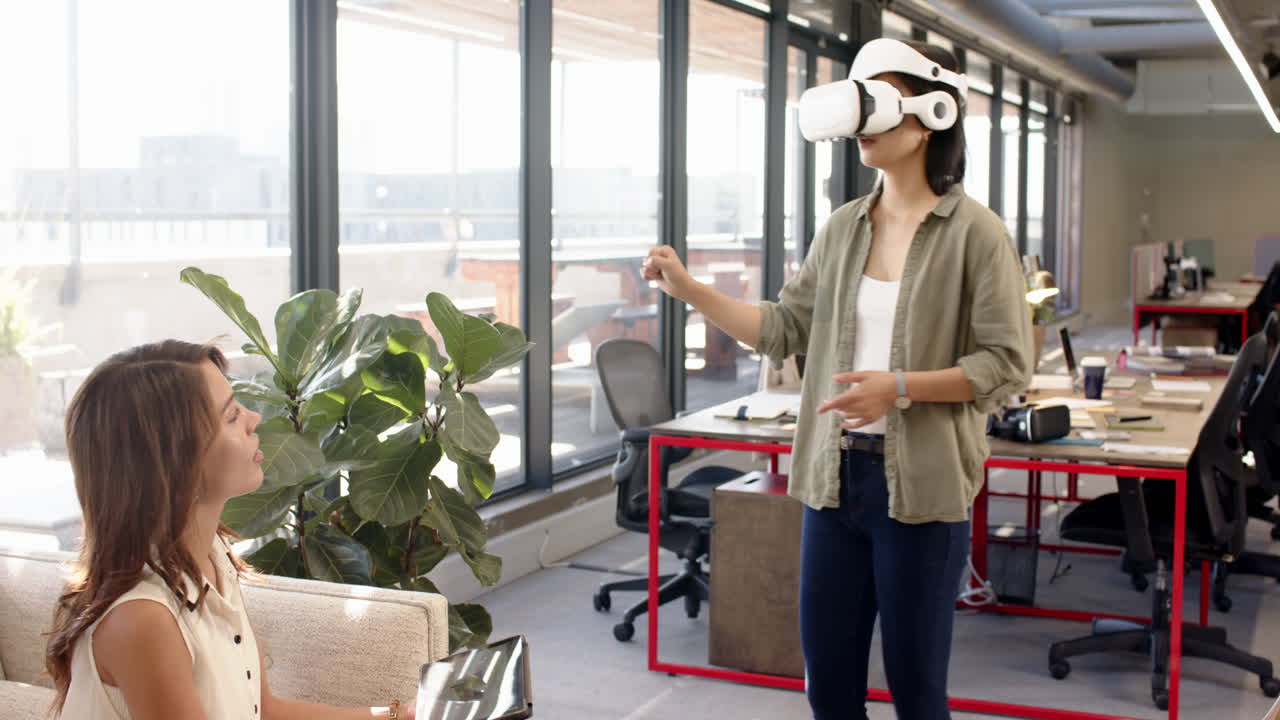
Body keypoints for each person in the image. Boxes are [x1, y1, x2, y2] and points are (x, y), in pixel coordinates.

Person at [642, 40, 1031, 719]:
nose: (861, 124)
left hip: (922, 489)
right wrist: (690, 291)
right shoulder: (843, 228)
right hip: (830, 481)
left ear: (931, 112)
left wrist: (900, 387)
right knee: (829, 687)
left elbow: (1004, 365)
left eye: (875, 101)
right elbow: (783, 327)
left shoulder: (977, 234)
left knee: (916, 692)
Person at [44, 340, 416, 719]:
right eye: (232, 417)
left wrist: (390, 717)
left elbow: (262, 710)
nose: (254, 419)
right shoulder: (143, 620)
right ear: (175, 460)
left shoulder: (210, 556)